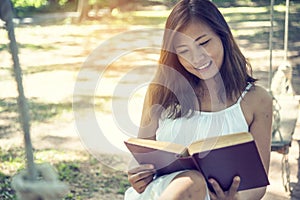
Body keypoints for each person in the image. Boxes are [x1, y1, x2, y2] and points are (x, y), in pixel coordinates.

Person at [124, 0, 272, 199]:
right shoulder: (160, 92)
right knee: (192, 182)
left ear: (223, 37)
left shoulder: (257, 100)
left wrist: (237, 198)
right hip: (162, 193)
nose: (196, 58)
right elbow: (141, 156)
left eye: (203, 43)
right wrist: (137, 174)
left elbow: (258, 184)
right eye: (184, 51)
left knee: (195, 183)